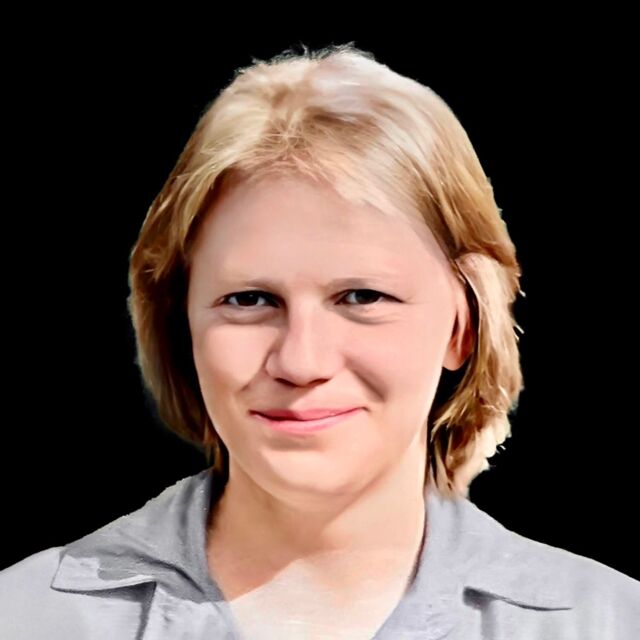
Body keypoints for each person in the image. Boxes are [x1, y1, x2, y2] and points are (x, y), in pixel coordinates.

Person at [1, 42, 638, 640]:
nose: (301, 362)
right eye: (249, 300)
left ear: (462, 327)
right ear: (180, 324)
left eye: (362, 297)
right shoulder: (27, 618)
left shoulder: (606, 623)